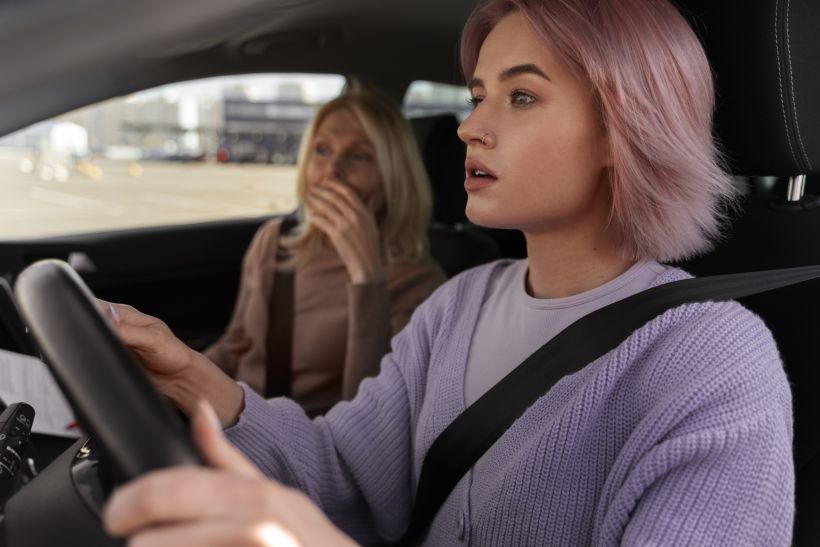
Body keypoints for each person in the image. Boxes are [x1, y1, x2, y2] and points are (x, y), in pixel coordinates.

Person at [102, 0, 794, 545]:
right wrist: (189, 375)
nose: (470, 126)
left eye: (520, 97)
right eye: (477, 94)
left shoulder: (711, 361)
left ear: (626, 130)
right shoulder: (457, 305)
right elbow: (343, 475)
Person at [204, 89, 445, 415]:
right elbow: (236, 345)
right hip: (233, 426)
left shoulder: (421, 285)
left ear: (394, 178)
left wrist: (366, 275)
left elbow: (371, 417)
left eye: (359, 156)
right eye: (322, 150)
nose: (331, 170)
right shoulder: (275, 240)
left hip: (312, 450)